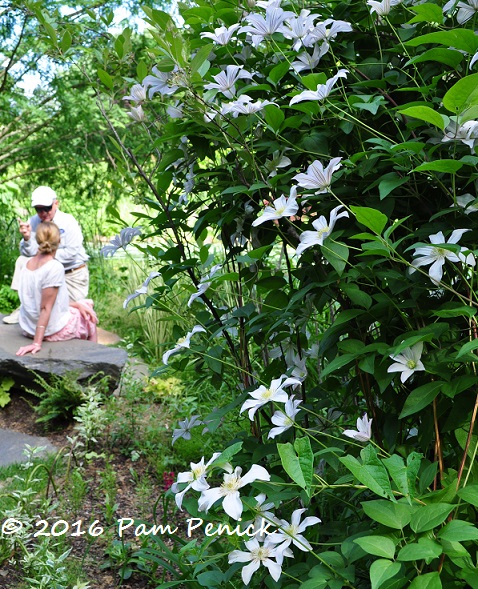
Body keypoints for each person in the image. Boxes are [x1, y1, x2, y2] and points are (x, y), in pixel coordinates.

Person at [3, 186, 89, 324]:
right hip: (47, 273)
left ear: (56, 204)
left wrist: (45, 257)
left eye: (47, 208)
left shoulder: (68, 222)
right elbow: (28, 253)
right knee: (22, 260)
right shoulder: (33, 222)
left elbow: (72, 253)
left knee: (65, 313)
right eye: (38, 209)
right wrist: (26, 238)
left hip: (72, 275)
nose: (43, 213)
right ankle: (25, 306)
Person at [15, 222, 97, 356]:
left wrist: (76, 304)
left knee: (84, 305)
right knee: (89, 318)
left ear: (37, 240)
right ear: (59, 240)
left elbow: (44, 301)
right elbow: (45, 308)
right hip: (49, 331)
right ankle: (94, 361)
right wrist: (37, 343)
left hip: (28, 327)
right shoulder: (54, 267)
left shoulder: (26, 263)